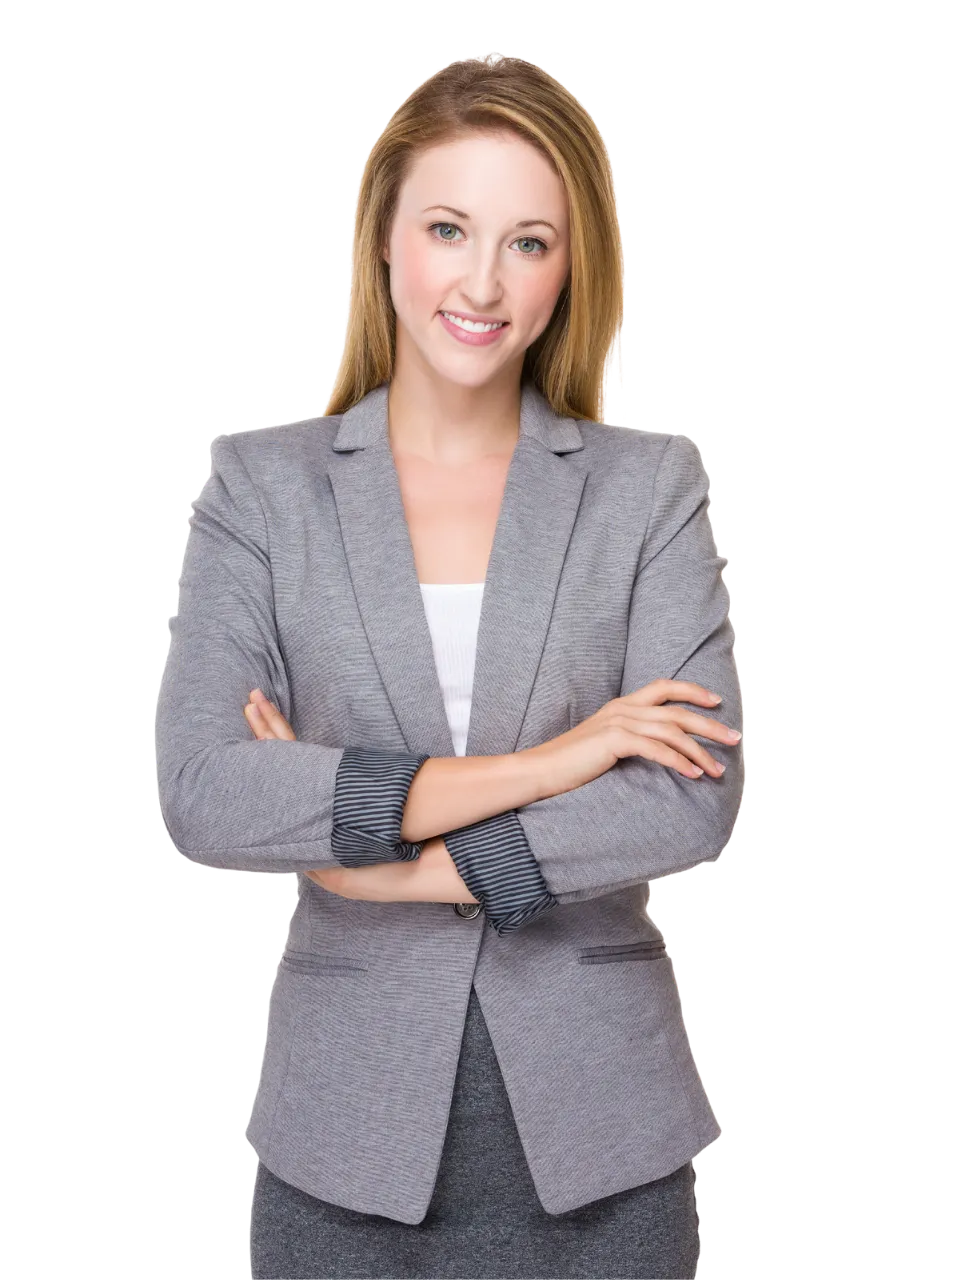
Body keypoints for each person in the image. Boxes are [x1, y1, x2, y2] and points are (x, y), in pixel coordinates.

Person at [155, 53, 743, 1280]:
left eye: (528, 242)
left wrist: (379, 864)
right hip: (344, 1132)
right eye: (447, 229)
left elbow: (685, 793)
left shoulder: (648, 487)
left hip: (603, 1129)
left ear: (572, 267)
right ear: (382, 234)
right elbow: (207, 788)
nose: (481, 283)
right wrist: (562, 758)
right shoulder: (263, 489)